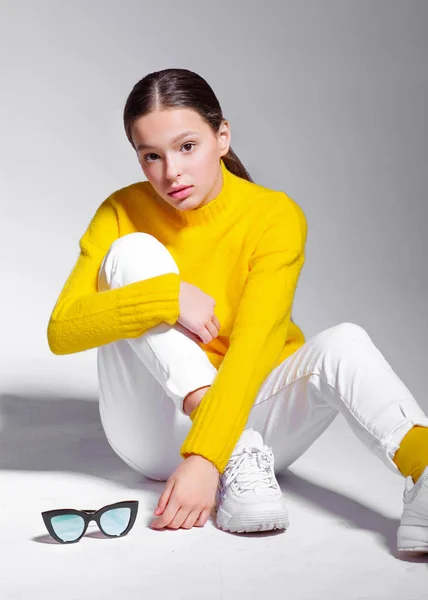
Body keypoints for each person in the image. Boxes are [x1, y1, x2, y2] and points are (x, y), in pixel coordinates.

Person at [47, 67, 428, 551]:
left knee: (345, 340)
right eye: (151, 156)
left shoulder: (274, 216)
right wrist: (166, 297)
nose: (171, 173)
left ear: (221, 137)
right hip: (153, 425)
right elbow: (62, 330)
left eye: (188, 147)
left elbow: (253, 348)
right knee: (132, 254)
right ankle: (236, 451)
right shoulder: (120, 212)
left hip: (255, 430)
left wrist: (208, 455)